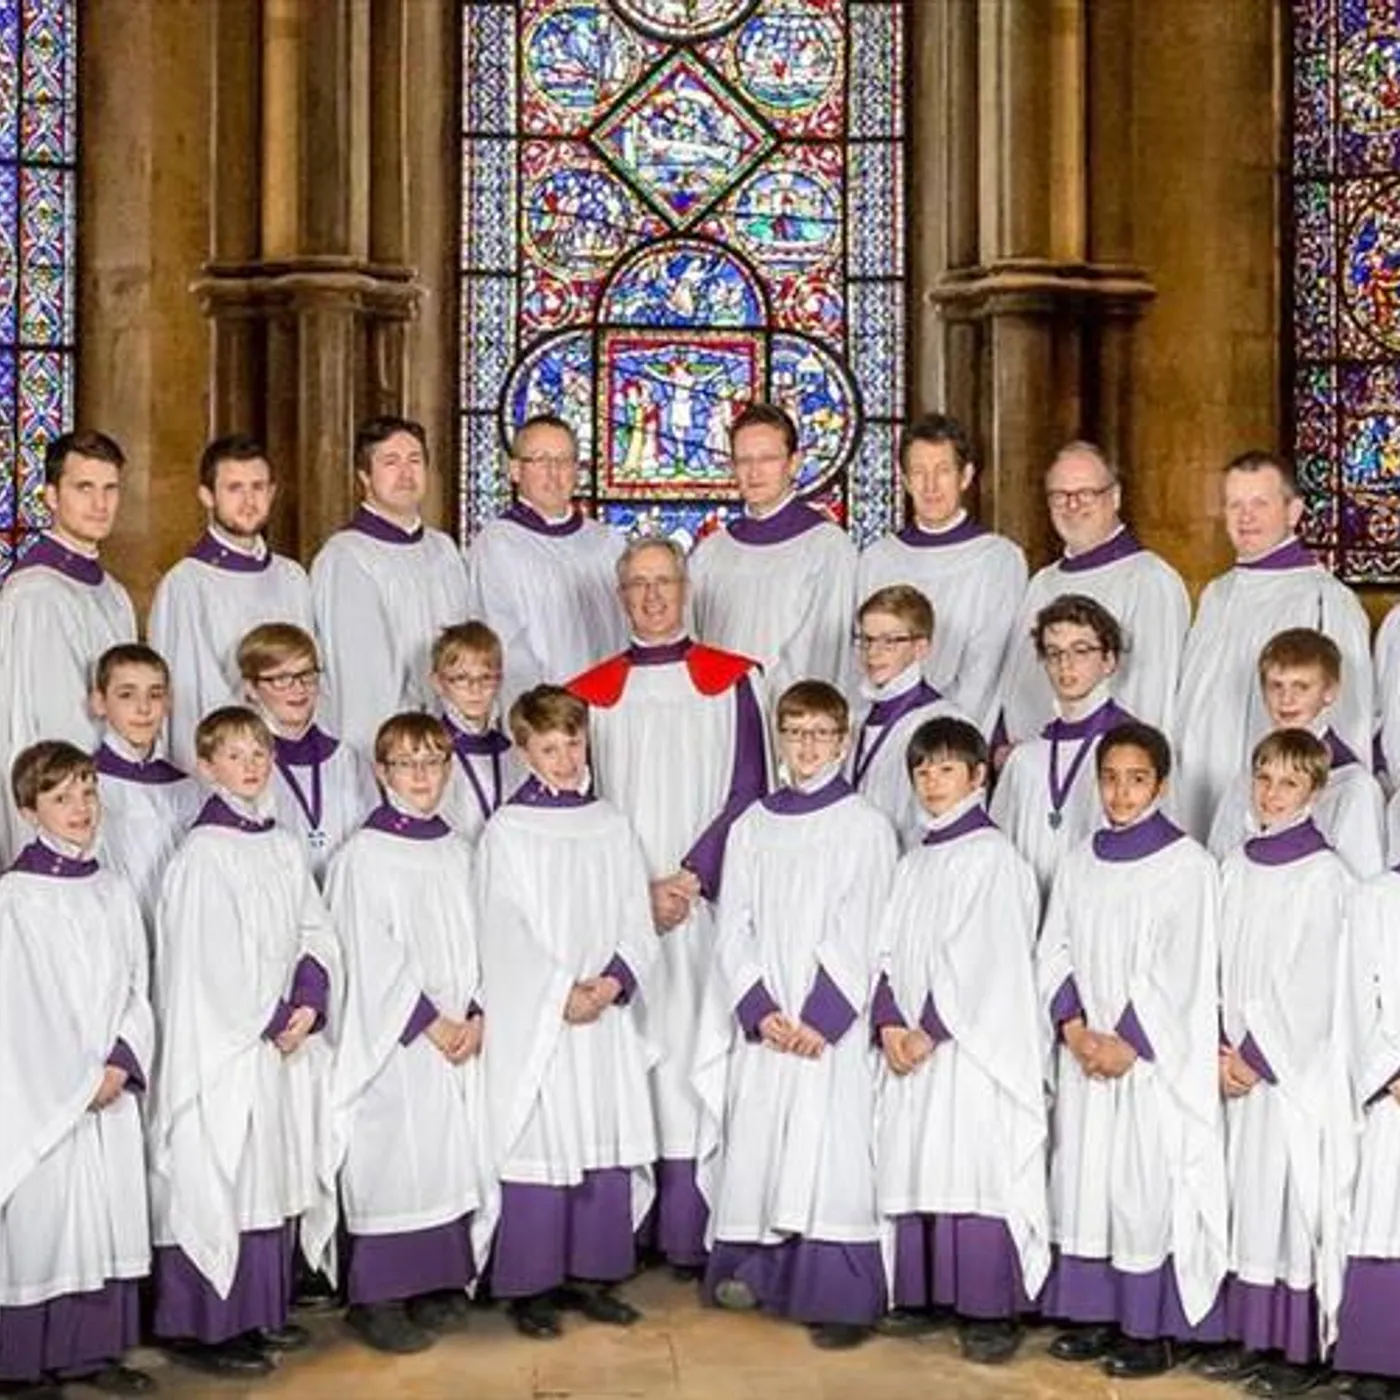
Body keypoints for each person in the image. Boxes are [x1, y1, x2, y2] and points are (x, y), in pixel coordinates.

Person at [567, 537, 767, 1274]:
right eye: (638, 586)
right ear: (620, 597)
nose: (652, 598)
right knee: (628, 1062)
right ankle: (624, 1231)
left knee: (691, 1055)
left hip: (701, 908)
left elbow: (750, 789)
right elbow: (581, 803)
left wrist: (687, 879)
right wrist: (634, 894)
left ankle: (686, 1228)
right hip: (624, 915)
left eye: (665, 582)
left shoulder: (734, 681)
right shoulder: (588, 693)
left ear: (687, 589)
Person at [693, 681, 897, 1351]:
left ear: (842, 740)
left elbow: (863, 921)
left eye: (820, 734)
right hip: (770, 1024)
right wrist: (758, 1007)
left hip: (822, 1030)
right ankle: (758, 1270)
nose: (807, 747)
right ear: (780, 739)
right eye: (795, 733)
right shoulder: (753, 825)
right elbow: (734, 922)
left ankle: (836, 1292)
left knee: (829, 1148)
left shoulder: (864, 824)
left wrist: (820, 1016)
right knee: (761, 1140)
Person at [148, 706, 338, 1379]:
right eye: (234, 755)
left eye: (260, 752)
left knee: (266, 1177)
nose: (252, 764)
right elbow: (206, 965)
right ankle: (202, 1326)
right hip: (224, 1051)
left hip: (276, 1042)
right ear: (208, 767)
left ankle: (258, 1313)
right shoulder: (203, 854)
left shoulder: (283, 845)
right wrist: (275, 1012)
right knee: (221, 1175)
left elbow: (315, 930)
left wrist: (311, 998)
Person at [1037, 722, 1228, 1379]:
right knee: (1086, 1183)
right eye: (1110, 777)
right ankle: (1093, 1315)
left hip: (1148, 1064)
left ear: (1162, 783)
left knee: (1143, 1186)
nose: (1121, 791)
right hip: (1088, 1050)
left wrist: (1129, 1041)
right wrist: (1073, 1029)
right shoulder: (1080, 859)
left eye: (1136, 778)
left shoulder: (1188, 866)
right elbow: (1054, 947)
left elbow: (1188, 968)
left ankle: (1148, 1329)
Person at [307, 714, 496, 1356]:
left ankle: (438, 1281)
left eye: (433, 762)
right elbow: (369, 956)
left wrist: (474, 1009)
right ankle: (379, 1296)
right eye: (407, 764)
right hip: (396, 1040)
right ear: (380, 772)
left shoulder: (458, 849)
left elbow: (483, 938)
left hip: (457, 1032)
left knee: (448, 1154)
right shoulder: (363, 856)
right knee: (393, 1159)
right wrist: (430, 1022)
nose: (422, 776)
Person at [477, 686, 656, 1340]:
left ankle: (595, 1275)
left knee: (601, 1137)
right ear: (524, 752)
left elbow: (638, 915)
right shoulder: (508, 830)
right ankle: (533, 1287)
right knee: (544, 1138)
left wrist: (611, 982)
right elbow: (502, 927)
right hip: (544, 1018)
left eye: (573, 742)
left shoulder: (611, 823)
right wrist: (560, 992)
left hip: (602, 1012)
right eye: (548, 748)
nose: (563, 757)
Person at [873, 716, 1048, 1364]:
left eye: (947, 768)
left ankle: (988, 1309)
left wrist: (930, 1029)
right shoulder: (916, 859)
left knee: (974, 1163)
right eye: (921, 769)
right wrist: (889, 1020)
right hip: (912, 1044)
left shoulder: (995, 859)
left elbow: (991, 961)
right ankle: (923, 1295)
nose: (931, 781)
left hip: (969, 1049)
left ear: (979, 776)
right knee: (920, 1157)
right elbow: (884, 948)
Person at [0, 741, 155, 1396]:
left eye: (87, 792)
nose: (79, 808)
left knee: (108, 1214)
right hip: (47, 1094)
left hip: (107, 1083)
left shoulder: (114, 889)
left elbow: (136, 986)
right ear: (29, 809)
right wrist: (78, 1079)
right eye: (60, 797)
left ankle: (94, 1353)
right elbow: (18, 1006)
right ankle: (23, 1364)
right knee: (47, 1220)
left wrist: (121, 1058)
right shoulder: (14, 897)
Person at [1205, 728, 1356, 1396]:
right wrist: (1214, 1041)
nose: (1272, 793)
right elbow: (1206, 960)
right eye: (1263, 779)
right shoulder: (1234, 865)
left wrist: (1256, 1056)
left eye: (1289, 783)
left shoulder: (1326, 876)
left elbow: (1314, 981)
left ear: (1316, 791)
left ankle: (1294, 1349)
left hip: (1286, 1072)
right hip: (1229, 1062)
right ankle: (1248, 1334)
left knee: (1286, 1200)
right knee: (1242, 1197)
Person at [1174, 450, 1373, 840]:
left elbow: (1351, 718)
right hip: (1201, 791)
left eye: (1260, 504)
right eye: (1235, 505)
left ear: (1294, 511)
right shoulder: (1216, 595)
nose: (1245, 517)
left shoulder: (1324, 599)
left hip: (1282, 806)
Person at [995, 442, 1188, 749]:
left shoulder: (1149, 579)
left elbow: (1152, 695)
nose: (1072, 506)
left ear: (1115, 497)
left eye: (1086, 493)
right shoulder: (1043, 583)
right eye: (1060, 495)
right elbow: (1018, 683)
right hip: (1035, 765)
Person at [0, 430, 136, 861]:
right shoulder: (36, 593)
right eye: (84, 488)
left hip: (114, 795)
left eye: (110, 489)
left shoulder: (114, 593)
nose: (100, 504)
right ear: (52, 497)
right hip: (65, 807)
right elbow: (42, 722)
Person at [147, 434, 314, 771]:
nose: (249, 501)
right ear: (207, 496)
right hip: (230, 769)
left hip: (295, 758)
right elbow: (190, 700)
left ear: (272, 493)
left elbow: (308, 679)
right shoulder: (187, 584)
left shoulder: (292, 576)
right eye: (234, 489)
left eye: (258, 487)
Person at [856, 413, 1027, 733]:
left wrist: (940, 735)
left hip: (956, 739)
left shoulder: (998, 559)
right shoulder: (877, 558)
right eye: (919, 472)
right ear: (905, 481)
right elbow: (867, 655)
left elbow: (986, 666)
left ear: (966, 476)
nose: (931, 485)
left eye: (943, 471)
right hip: (883, 731)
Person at [311, 416, 471, 754]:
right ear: (364, 477)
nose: (406, 473)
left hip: (451, 740)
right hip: (393, 747)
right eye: (390, 462)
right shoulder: (347, 556)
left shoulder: (443, 549)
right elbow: (362, 680)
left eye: (415, 461)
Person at [689, 402, 857, 695]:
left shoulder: (827, 547)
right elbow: (694, 642)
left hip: (796, 719)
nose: (754, 472)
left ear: (794, 463)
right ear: (732, 467)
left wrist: (770, 704)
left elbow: (825, 650)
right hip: (723, 714)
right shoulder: (711, 552)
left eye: (767, 458)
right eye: (744, 460)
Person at [465, 414, 626, 710]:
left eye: (564, 460)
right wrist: (545, 719)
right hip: (541, 721)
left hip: (610, 712)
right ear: (515, 470)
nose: (554, 472)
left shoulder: (609, 543)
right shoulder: (498, 545)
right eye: (541, 460)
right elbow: (505, 645)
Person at [1208, 628, 1385, 879]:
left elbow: (1364, 882)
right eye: (1276, 686)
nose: (1286, 699)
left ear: (1329, 692)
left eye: (1301, 686)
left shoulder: (1353, 785)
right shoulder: (1248, 777)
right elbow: (1219, 858)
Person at [990, 595, 1134, 894]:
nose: (1064, 664)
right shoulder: (1026, 759)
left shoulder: (1138, 750)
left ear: (1109, 660)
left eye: (1080, 651)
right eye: (1053, 653)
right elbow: (997, 861)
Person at [237, 623, 377, 884]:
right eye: (281, 679)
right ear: (251, 688)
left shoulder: (349, 760)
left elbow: (373, 842)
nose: (298, 688)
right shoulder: (241, 767)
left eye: (306, 675)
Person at [1334, 864, 1400, 1400]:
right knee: (1386, 1217)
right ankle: (1381, 1359)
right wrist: (1389, 1073)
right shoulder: (1375, 897)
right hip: (1395, 1088)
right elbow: (1356, 996)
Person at [90, 643, 202, 932]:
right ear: (99, 702)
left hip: (179, 934)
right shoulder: (85, 787)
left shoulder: (189, 789)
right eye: (126, 695)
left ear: (169, 702)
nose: (143, 708)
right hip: (112, 934)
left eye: (155, 694)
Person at [849, 584, 962, 850]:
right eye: (866, 639)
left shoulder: (943, 723)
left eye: (889, 641)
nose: (873, 653)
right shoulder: (856, 716)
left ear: (920, 648)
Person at [428, 621, 520, 842]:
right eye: (461, 678)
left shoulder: (513, 753)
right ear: (438, 683)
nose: (475, 689)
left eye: (486, 678)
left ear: (500, 680)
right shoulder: (428, 751)